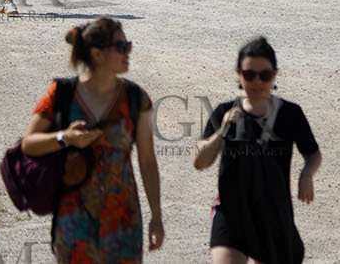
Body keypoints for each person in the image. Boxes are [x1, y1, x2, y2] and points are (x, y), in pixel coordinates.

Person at [20, 17, 165, 261]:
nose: (128, 52)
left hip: (123, 220)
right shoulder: (62, 93)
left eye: (127, 45)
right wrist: (65, 138)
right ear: (97, 54)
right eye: (120, 47)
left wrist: (157, 217)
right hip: (74, 218)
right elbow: (29, 143)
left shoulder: (136, 98)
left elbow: (147, 160)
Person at [191, 37, 321, 264]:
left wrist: (307, 175)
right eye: (250, 74)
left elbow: (312, 153)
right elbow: (199, 162)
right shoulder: (224, 112)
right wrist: (221, 132)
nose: (257, 81)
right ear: (239, 74)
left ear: (275, 74)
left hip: (273, 211)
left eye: (265, 75)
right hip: (231, 211)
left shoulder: (290, 114)